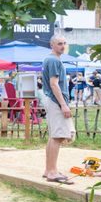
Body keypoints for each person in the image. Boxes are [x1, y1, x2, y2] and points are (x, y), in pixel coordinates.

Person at [41, 35, 75, 184]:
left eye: (64, 43)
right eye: (59, 43)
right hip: (56, 100)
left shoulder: (49, 59)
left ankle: (49, 169)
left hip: (50, 99)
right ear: (52, 45)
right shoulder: (54, 60)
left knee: (53, 136)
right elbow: (54, 84)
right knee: (58, 137)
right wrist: (63, 104)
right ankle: (52, 172)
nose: (62, 46)